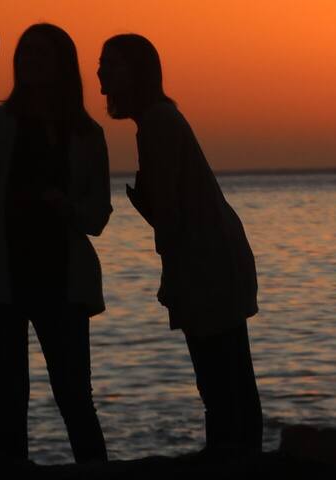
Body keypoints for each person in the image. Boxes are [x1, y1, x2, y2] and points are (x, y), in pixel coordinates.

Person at [0, 24, 112, 464]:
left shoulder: (87, 135)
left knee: (74, 397)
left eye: (42, 55)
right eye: (25, 54)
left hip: (62, 280)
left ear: (62, 65)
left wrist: (67, 207)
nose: (31, 61)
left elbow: (97, 215)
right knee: (10, 400)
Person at [98, 33, 264, 455]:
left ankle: (234, 461)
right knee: (230, 378)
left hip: (207, 265)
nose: (101, 73)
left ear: (138, 72)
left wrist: (151, 215)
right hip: (216, 258)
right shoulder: (160, 119)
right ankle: (244, 459)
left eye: (111, 64)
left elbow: (170, 215)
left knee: (221, 383)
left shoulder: (156, 123)